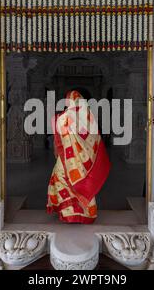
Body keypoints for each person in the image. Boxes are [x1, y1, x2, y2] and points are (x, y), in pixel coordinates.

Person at [46, 91, 111, 224]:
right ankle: (85, 213)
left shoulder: (62, 117)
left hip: (67, 159)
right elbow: (92, 138)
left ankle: (68, 213)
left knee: (61, 179)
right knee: (82, 183)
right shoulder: (87, 117)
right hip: (83, 160)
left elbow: (58, 134)